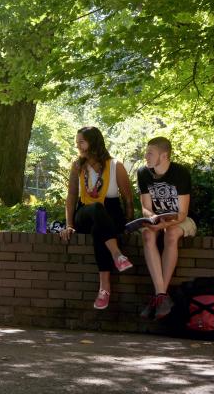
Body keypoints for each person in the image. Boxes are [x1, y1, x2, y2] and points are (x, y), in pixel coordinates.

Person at [60, 126, 134, 310]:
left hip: (111, 214)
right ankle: (117, 255)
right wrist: (69, 224)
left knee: (99, 230)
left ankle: (104, 289)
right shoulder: (77, 166)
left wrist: (129, 226)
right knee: (96, 209)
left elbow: (128, 200)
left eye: (81, 142)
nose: (78, 146)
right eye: (77, 142)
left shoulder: (116, 165)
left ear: (93, 143)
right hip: (86, 212)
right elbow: (71, 197)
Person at [137, 136, 197, 320]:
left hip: (182, 220)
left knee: (171, 234)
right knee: (147, 234)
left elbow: (183, 213)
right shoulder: (143, 173)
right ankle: (162, 295)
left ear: (164, 156)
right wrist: (152, 218)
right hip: (158, 220)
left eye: (150, 153)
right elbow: (146, 208)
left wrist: (164, 224)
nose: (146, 156)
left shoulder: (180, 173)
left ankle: (158, 296)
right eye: (146, 152)